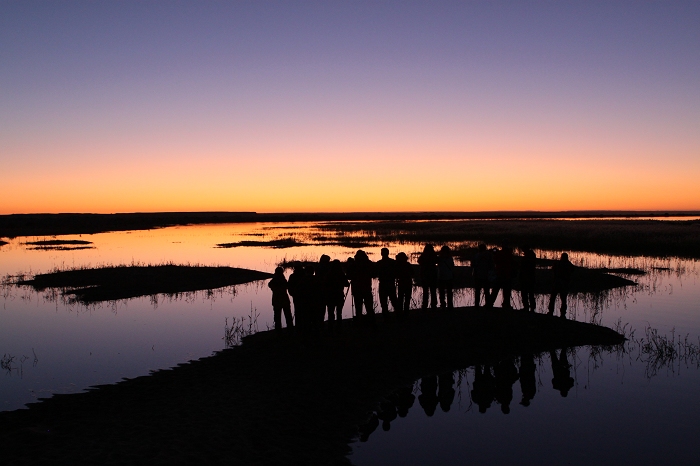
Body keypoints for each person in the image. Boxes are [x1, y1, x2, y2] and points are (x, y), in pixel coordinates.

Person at [548, 253, 576, 318]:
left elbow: (553, 270)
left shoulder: (558, 263)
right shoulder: (568, 264)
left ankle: (551, 312)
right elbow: (573, 269)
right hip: (564, 284)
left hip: (557, 283)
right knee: (563, 299)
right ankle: (562, 314)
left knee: (553, 298)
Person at [351, 250, 376, 323]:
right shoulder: (369, 263)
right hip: (367, 288)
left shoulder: (354, 264)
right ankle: (372, 322)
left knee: (358, 307)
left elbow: (349, 275)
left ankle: (359, 322)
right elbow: (374, 274)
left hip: (357, 289)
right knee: (369, 307)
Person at [376, 247, 399, 316]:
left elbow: (375, 273)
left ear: (381, 254)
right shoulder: (393, 262)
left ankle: (386, 318)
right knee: (394, 301)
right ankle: (398, 315)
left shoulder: (379, 263)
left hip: (383, 284)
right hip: (391, 284)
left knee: (384, 302)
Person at [326, 259, 349, 327]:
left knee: (331, 313)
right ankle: (339, 327)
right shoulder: (341, 274)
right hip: (339, 295)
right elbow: (346, 284)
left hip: (330, 296)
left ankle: (331, 327)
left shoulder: (329, 274)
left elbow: (325, 284)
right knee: (339, 313)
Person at [418, 244, 439, 309]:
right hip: (432, 275)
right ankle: (433, 305)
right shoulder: (433, 255)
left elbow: (419, 261)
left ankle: (425, 305)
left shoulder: (423, 256)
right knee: (433, 291)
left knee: (425, 291)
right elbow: (437, 261)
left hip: (425, 275)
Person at [519, 247, 537, 312]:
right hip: (531, 277)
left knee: (525, 293)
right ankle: (532, 307)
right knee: (530, 293)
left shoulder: (526, 258)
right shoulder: (532, 256)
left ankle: (526, 307)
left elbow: (523, 268)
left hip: (526, 277)